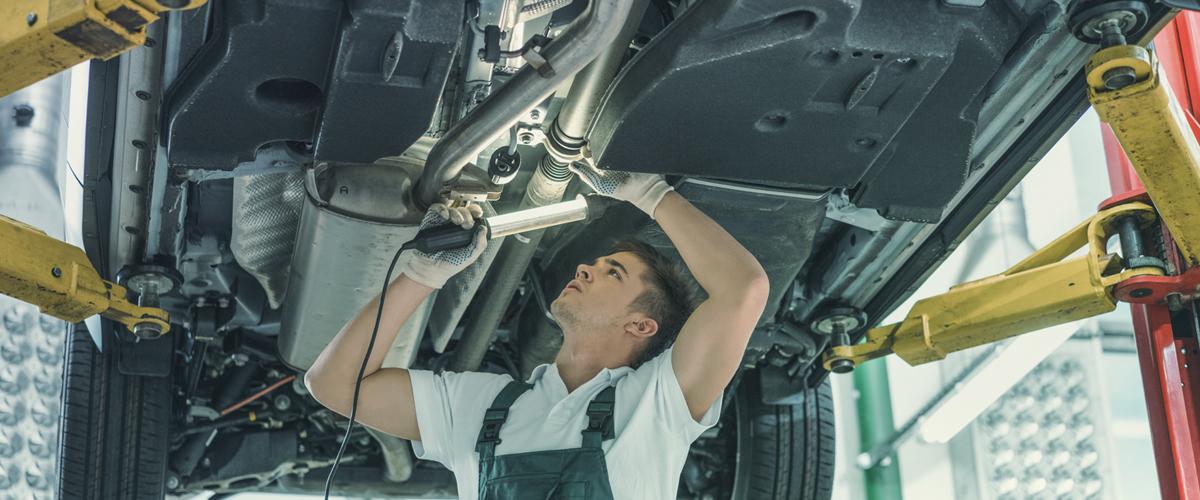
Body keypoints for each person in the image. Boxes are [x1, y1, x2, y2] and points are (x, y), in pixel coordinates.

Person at [305, 164, 770, 500]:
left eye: (613, 274)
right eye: (599, 262)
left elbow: (743, 290)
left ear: (641, 326)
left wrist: (647, 192)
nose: (586, 266)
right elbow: (332, 386)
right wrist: (423, 275)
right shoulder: (485, 407)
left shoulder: (656, 406)